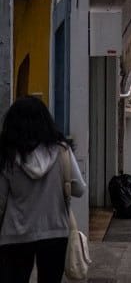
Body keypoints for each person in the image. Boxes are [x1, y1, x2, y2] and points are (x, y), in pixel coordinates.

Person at [0, 95, 87, 283]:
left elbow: (1, 200)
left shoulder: (7, 156)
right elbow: (79, 189)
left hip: (15, 233)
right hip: (55, 231)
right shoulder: (62, 151)